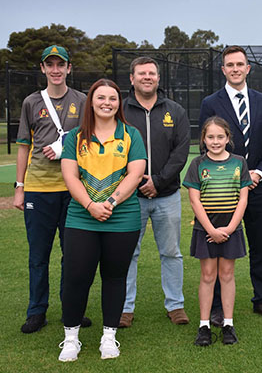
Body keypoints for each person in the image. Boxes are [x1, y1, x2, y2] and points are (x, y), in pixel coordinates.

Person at [58, 79, 146, 361]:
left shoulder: (131, 134)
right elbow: (70, 176)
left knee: (115, 277)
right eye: (101, 98)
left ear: (119, 103)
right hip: (81, 218)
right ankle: (71, 338)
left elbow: (135, 174)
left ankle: (109, 337)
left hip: (122, 217)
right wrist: (89, 205)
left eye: (112, 98)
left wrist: (109, 203)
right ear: (91, 102)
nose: (107, 103)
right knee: (76, 277)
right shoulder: (74, 137)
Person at [14, 45, 92, 333]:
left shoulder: (82, 100)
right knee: (38, 254)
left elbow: (90, 138)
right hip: (38, 188)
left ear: (69, 68)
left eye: (61, 65)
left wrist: (63, 146)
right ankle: (36, 311)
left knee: (72, 254)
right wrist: (20, 187)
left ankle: (70, 309)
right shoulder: (31, 102)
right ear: (43, 68)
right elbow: (23, 147)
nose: (56, 70)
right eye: (51, 65)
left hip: (73, 189)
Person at [199, 46, 262, 324]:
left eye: (240, 64)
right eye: (229, 65)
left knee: (260, 244)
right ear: (223, 70)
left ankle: (261, 299)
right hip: (222, 190)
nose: (235, 69)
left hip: (257, 186)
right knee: (220, 243)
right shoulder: (211, 102)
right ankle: (218, 306)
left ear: (248, 68)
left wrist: (257, 173)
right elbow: (206, 145)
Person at [120, 56, 191, 328]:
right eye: (141, 73)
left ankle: (175, 305)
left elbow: (181, 152)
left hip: (168, 195)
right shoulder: (121, 109)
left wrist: (158, 181)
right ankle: (125, 308)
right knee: (128, 253)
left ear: (158, 78)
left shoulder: (175, 110)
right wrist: (135, 181)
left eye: (151, 73)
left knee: (171, 252)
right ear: (132, 78)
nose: (147, 77)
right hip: (129, 197)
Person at [184, 117, 252, 346]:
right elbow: (194, 200)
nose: (215, 141)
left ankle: (228, 324)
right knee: (208, 275)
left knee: (227, 275)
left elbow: (243, 199)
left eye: (220, 137)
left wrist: (231, 228)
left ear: (228, 138)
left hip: (231, 228)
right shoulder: (197, 164)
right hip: (206, 229)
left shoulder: (239, 162)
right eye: (210, 137)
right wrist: (211, 230)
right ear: (203, 139)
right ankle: (204, 325)